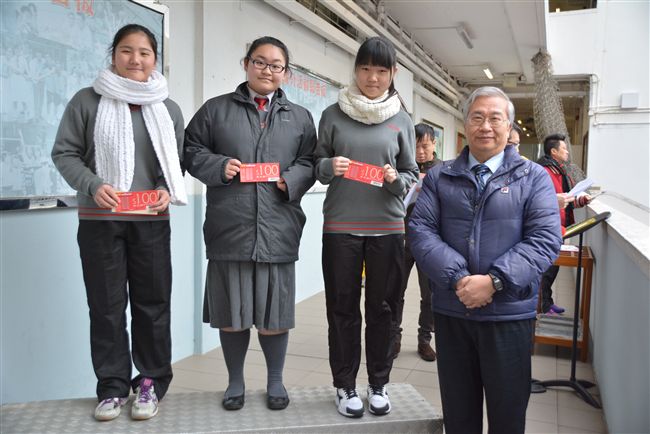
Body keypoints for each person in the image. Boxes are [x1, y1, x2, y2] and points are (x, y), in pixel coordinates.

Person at [51, 24, 186, 421]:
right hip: (100, 220)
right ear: (113, 55)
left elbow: (174, 163)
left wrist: (164, 189)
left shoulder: (167, 108)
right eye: (127, 50)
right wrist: (93, 184)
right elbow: (65, 153)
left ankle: (150, 381)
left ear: (155, 59)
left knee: (153, 304)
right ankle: (111, 387)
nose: (135, 59)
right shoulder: (87, 101)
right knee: (106, 306)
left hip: (150, 219)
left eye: (144, 52)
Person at [408, 86, 562, 434]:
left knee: (507, 417)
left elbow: (545, 239)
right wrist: (460, 279)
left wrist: (494, 281)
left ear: (509, 127)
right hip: (453, 310)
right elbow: (420, 231)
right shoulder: (440, 176)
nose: (486, 126)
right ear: (466, 124)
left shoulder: (533, 177)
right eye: (477, 117)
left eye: (495, 118)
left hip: (508, 314)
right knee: (459, 415)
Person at [183, 36, 316, 411]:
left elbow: (311, 161)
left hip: (279, 226)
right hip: (230, 226)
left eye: (276, 65)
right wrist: (218, 166)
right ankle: (235, 382)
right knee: (233, 314)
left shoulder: (300, 117)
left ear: (286, 73)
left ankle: (275, 381)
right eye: (260, 62)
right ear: (246, 64)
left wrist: (290, 180)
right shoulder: (215, 110)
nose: (267, 70)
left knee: (275, 314)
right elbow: (190, 150)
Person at [315, 36, 418, 418]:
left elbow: (411, 173)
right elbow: (316, 165)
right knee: (341, 308)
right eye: (365, 69)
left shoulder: (401, 120)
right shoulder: (332, 114)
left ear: (393, 73)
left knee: (384, 309)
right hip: (340, 227)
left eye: (381, 70)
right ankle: (344, 385)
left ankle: (378, 383)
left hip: (387, 229)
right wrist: (329, 167)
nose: (372, 78)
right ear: (355, 70)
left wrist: (396, 179)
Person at [393, 123, 441, 362]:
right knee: (395, 292)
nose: (420, 152)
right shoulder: (402, 168)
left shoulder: (443, 170)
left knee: (429, 295)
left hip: (429, 242)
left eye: (425, 146)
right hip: (401, 237)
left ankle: (424, 340)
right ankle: (394, 338)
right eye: (415, 146)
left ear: (434, 144)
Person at [536, 133, 591, 314]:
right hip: (548, 227)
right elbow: (537, 199)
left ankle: (547, 302)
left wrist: (581, 200)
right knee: (547, 269)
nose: (567, 152)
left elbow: (567, 198)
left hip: (561, 227)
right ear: (554, 151)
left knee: (554, 267)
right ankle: (543, 307)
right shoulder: (544, 172)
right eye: (564, 149)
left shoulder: (560, 172)